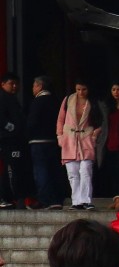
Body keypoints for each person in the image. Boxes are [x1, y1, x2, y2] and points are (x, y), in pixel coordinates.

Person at [58, 83, 99, 210]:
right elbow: (60, 119)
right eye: (78, 89)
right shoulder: (68, 100)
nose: (81, 92)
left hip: (86, 138)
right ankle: (76, 201)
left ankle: (86, 200)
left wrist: (95, 134)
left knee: (86, 169)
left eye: (84, 89)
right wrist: (60, 136)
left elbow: (101, 120)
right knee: (72, 173)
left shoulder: (93, 102)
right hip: (69, 139)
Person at [26, 77, 62, 209]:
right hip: (53, 141)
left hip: (38, 141)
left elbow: (32, 122)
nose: (32, 89)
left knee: (41, 171)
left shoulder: (37, 102)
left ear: (40, 86)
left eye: (34, 86)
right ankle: (57, 199)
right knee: (54, 170)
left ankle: (44, 200)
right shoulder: (55, 101)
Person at [0, 72, 26, 208]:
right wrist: (13, 128)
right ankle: (13, 197)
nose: (14, 86)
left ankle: (7, 197)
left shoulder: (12, 98)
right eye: (11, 83)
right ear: (3, 84)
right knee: (12, 169)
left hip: (13, 140)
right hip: (7, 140)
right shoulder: (3, 98)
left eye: (16, 84)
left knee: (9, 169)